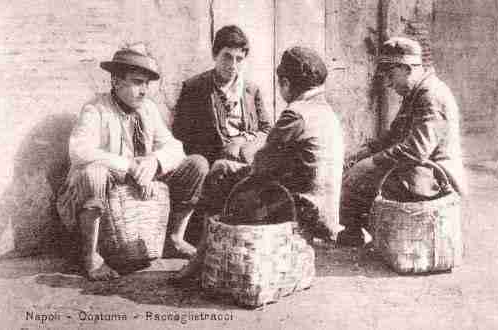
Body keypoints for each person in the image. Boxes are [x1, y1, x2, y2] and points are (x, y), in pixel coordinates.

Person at [171, 46, 344, 280]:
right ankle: (208, 254)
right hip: (324, 209)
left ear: (285, 83)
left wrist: (243, 156)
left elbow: (262, 166)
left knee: (221, 170)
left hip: (299, 206)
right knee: (233, 172)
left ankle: (202, 259)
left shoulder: (295, 113)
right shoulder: (326, 112)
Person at [56, 44, 209, 281]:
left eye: (147, 84)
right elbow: (79, 150)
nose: (144, 90)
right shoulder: (96, 109)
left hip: (135, 193)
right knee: (93, 172)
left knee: (197, 165)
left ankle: (174, 238)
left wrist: (154, 162)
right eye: (138, 82)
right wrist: (128, 165)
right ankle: (91, 257)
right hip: (102, 195)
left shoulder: (148, 109)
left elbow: (174, 147)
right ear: (116, 82)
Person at [338, 37, 465, 247]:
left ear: (407, 68)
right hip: (420, 173)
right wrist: (361, 153)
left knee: (367, 177)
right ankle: (358, 232)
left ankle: (378, 235)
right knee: (358, 170)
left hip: (437, 179)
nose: (388, 83)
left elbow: (416, 149)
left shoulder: (431, 95)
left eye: (390, 75)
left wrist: (370, 163)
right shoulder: (416, 92)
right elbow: (393, 135)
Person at [172, 25, 272, 166]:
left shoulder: (251, 90)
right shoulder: (194, 88)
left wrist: (241, 141)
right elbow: (181, 135)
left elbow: (267, 130)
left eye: (239, 59)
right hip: (211, 164)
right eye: (227, 57)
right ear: (215, 55)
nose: (233, 65)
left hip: (245, 160)